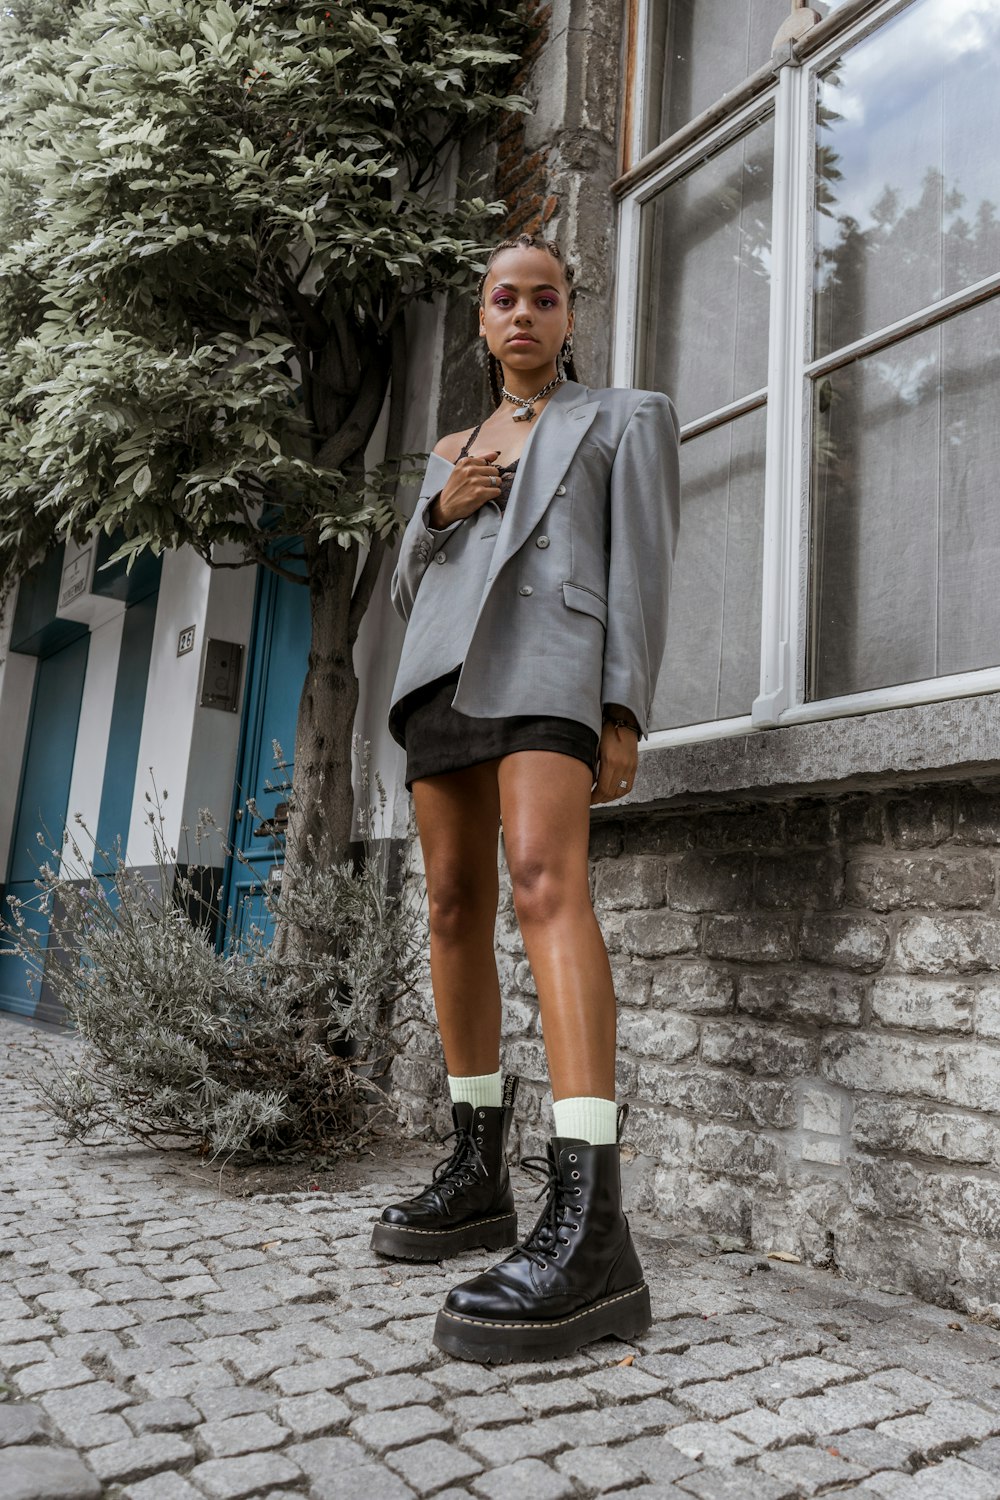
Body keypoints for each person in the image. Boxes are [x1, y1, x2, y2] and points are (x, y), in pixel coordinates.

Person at [372, 233, 680, 1364]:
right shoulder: (451, 444)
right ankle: (475, 1169)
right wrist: (439, 508)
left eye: (541, 298)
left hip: (550, 670)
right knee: (451, 907)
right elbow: (410, 583)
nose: (522, 314)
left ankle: (592, 1216)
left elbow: (643, 566)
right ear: (481, 316)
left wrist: (623, 708)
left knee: (548, 889)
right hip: (443, 681)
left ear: (565, 313)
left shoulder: (623, 416)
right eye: (503, 298)